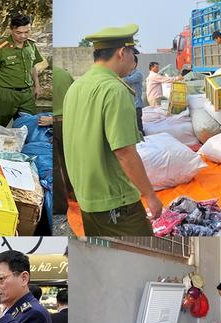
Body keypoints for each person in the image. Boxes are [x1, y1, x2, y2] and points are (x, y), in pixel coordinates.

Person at [63, 24, 163, 236]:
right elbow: (125, 153)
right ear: (121, 52)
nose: (133, 61)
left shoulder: (76, 87)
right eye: (132, 54)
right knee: (141, 250)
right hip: (115, 203)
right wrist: (150, 196)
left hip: (87, 199)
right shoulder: (115, 90)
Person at [0, 14, 44, 127]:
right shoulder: (0, 49)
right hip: (6, 95)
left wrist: (37, 86)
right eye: (19, 33)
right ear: (11, 29)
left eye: (27, 32)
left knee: (30, 126)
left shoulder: (31, 45)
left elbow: (32, 67)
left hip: (27, 94)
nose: (23, 36)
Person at [52, 65, 76, 214]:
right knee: (71, 160)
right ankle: (75, 193)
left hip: (50, 122)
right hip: (68, 122)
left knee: (55, 164)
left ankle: (59, 205)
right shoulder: (64, 74)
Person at [122, 55, 145, 134]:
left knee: (138, 128)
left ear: (134, 64)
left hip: (136, 105)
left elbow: (126, 81)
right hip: (129, 105)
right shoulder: (126, 74)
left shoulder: (138, 74)